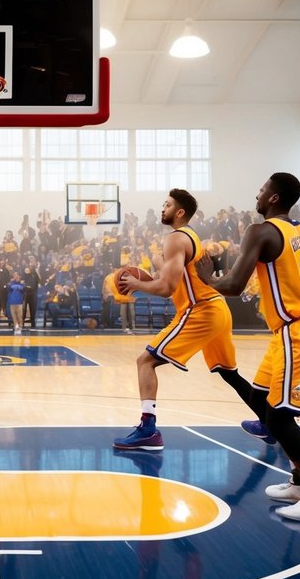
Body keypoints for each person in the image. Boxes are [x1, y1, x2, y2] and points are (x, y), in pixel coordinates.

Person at [207, 172, 300, 523]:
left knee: (278, 416)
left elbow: (232, 284)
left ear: (273, 198)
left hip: (298, 330)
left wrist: (204, 277)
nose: (257, 196)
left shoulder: (260, 231)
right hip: (291, 332)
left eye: (261, 191)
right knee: (262, 402)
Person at [113, 189, 268, 451]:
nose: (163, 208)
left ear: (180, 212)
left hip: (201, 310)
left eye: (167, 205)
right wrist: (155, 267)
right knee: (229, 373)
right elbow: (172, 279)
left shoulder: (175, 238)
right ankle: (269, 423)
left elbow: (166, 289)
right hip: (217, 308)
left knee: (145, 361)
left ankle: (148, 430)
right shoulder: (190, 236)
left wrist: (136, 283)